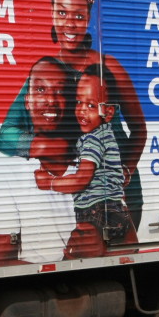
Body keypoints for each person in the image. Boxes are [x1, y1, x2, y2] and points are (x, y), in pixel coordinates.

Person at [0, 0, 148, 231]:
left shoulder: (109, 67)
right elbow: (6, 136)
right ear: (52, 13)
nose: (70, 24)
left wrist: (127, 168)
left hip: (120, 196)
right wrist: (47, 146)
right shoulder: (45, 73)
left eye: (79, 16)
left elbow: (139, 129)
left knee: (120, 249)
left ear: (88, 17)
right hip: (77, 197)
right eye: (62, 12)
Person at [35, 64, 135, 255]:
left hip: (96, 212)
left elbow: (82, 179)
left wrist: (50, 182)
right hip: (115, 210)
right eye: (79, 102)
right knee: (122, 255)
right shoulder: (106, 134)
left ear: (109, 113)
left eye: (90, 105)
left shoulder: (93, 139)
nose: (81, 110)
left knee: (73, 260)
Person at [0, 58, 77, 265]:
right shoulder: (5, 176)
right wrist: (47, 147)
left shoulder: (92, 163)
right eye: (41, 90)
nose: (51, 100)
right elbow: (2, 263)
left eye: (60, 91)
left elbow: (127, 242)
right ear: (27, 101)